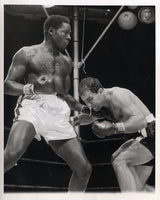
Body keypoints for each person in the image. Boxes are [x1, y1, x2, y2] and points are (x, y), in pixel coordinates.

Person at [4, 15, 105, 192]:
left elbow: (63, 96)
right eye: (65, 32)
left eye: (70, 34)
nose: (68, 37)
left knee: (84, 170)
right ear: (51, 31)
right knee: (12, 154)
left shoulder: (66, 62)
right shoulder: (27, 53)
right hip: (32, 107)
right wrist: (32, 88)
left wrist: (86, 110)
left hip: (58, 111)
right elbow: (7, 85)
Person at [73, 77, 155, 192]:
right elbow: (90, 117)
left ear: (100, 91)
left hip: (151, 136)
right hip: (140, 139)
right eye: (86, 102)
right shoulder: (102, 104)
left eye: (90, 99)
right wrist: (72, 121)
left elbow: (141, 120)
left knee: (119, 160)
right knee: (138, 190)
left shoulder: (118, 95)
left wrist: (115, 128)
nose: (89, 105)